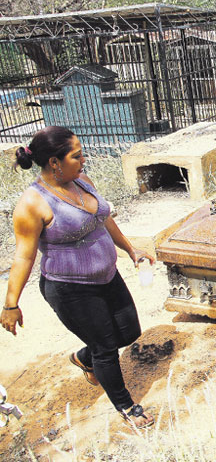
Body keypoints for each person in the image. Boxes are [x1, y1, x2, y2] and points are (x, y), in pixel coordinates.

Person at [0, 126, 155, 429]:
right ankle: (126, 407)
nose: (84, 160)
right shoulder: (32, 203)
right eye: (77, 155)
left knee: (128, 332)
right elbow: (23, 256)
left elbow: (104, 219)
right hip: (70, 289)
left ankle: (85, 358)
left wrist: (130, 250)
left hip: (107, 277)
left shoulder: (82, 181)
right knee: (106, 348)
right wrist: (10, 304)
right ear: (55, 163)